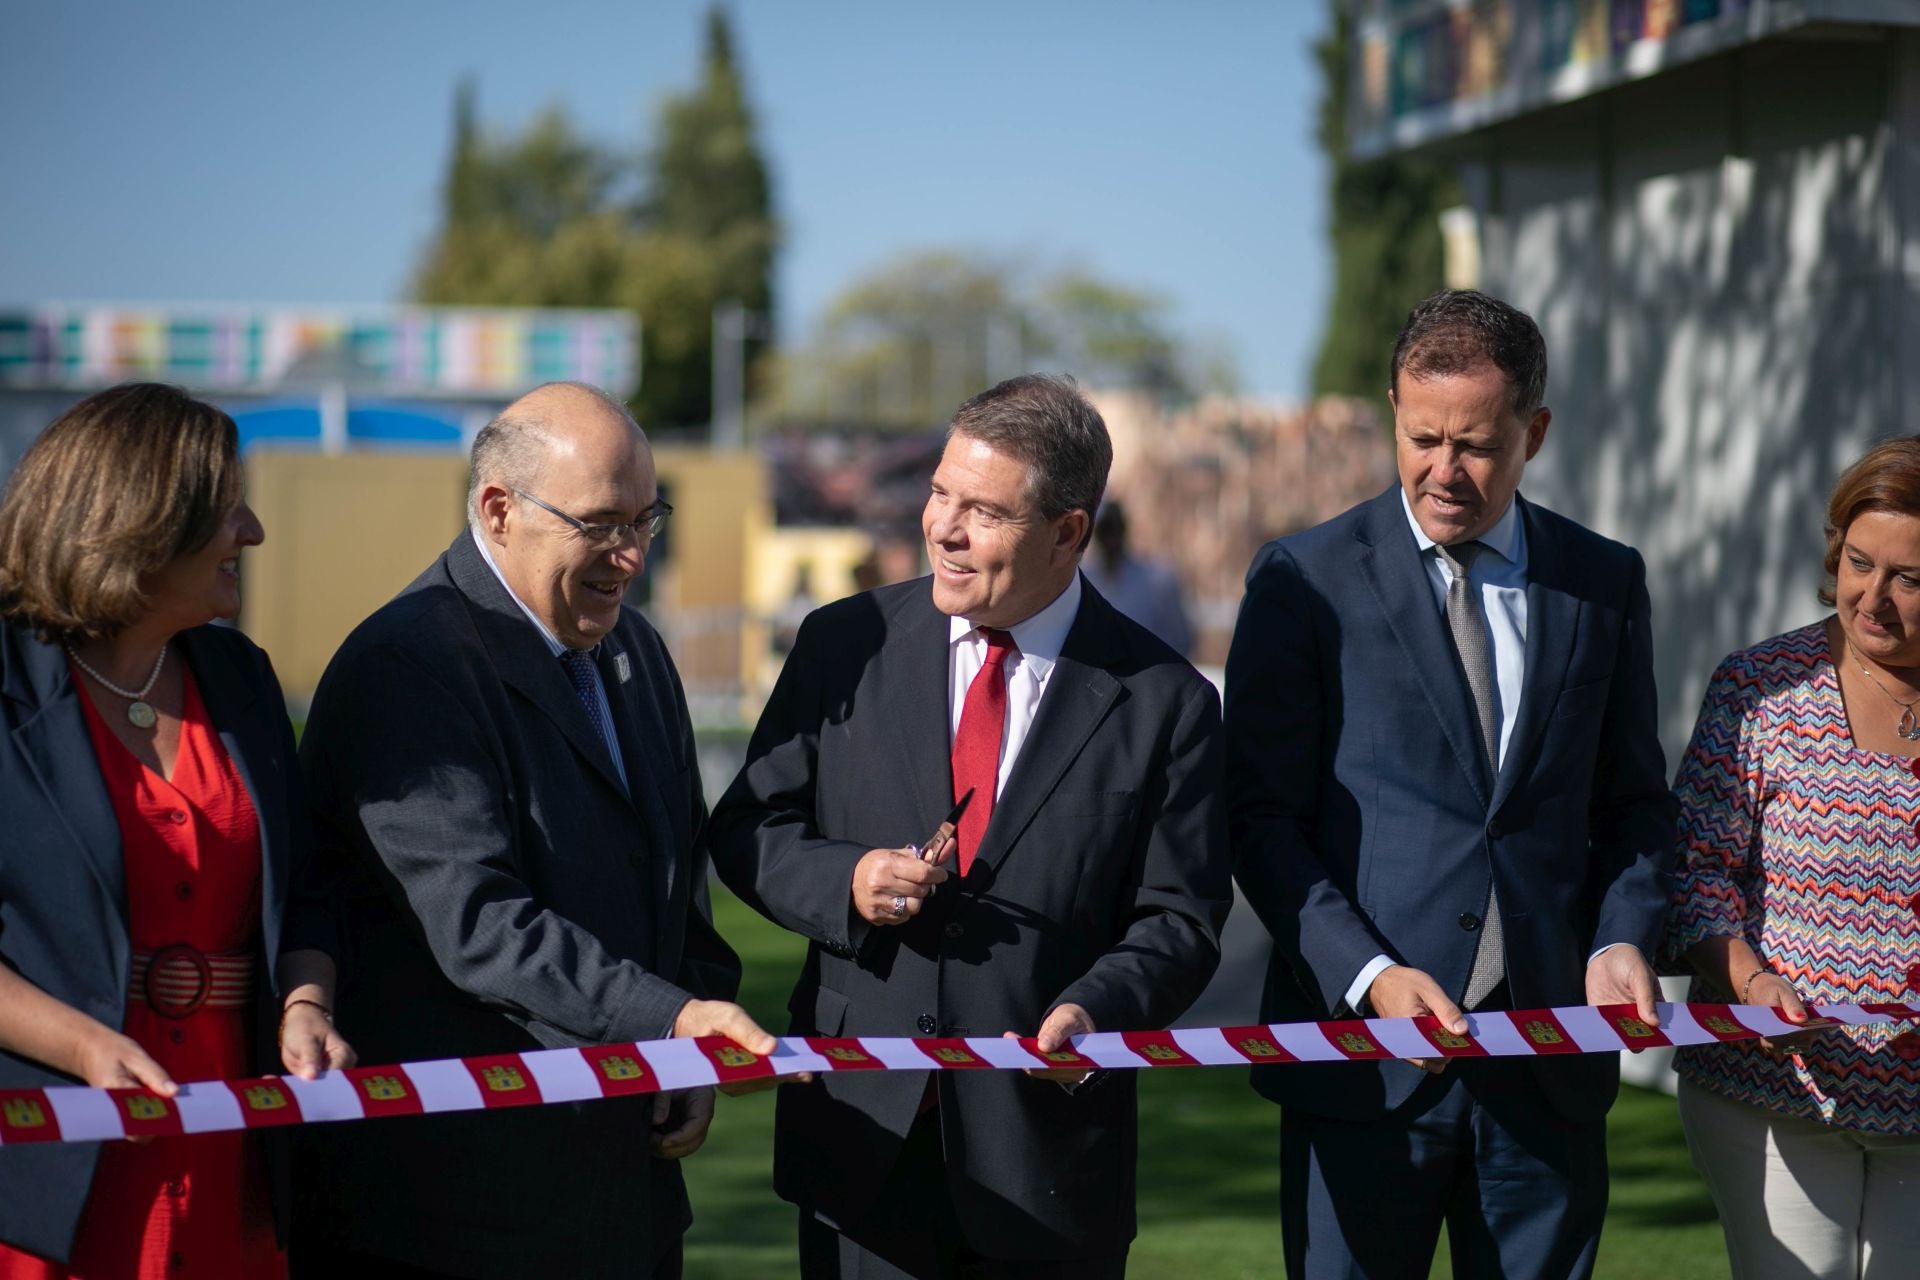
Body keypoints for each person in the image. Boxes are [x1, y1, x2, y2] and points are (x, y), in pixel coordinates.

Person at [710, 373, 1231, 1279]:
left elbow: (1179, 919)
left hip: (1049, 1162)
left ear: (1069, 532)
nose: (942, 527)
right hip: (860, 1144)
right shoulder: (843, 645)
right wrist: (847, 882)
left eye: (982, 511)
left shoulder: (1166, 702)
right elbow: (750, 826)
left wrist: (1098, 1009)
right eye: (940, 492)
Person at [1224, 290, 1677, 1278]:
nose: (1443, 469)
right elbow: (1259, 819)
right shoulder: (1303, 580)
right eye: (1422, 436)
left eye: (1475, 443)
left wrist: (1620, 936)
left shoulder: (1604, 582)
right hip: (1359, 1069)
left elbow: (1636, 804)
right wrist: (1369, 975)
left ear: (1536, 432)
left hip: (1550, 1064)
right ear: (1393, 406)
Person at [292, 382, 768, 1280]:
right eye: (600, 524)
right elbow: (477, 922)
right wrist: (669, 1020)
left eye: (646, 520)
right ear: (499, 510)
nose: (630, 557)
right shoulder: (411, 664)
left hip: (623, 1195)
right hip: (458, 1214)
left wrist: (691, 1042)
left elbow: (676, 870)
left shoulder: (636, 649)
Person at [0, 383, 352, 1278]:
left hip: (237, 1159)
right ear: (140, 522)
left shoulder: (241, 676)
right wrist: (81, 1045)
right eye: (227, 504)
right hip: (55, 1167)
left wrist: (307, 1003)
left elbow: (308, 890)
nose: (253, 530)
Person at [1666, 437, 1920, 1277]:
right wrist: (1749, 981)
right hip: (1772, 1097)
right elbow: (1694, 869)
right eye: (1858, 562)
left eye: (1909, 578)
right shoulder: (1760, 688)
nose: (1873, 597)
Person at [1081, 500, 1192, 656]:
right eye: (1105, 531)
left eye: (1115, 529)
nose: (1110, 539)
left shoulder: (1157, 581)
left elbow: (1181, 639)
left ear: (1123, 529)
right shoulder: (1082, 581)